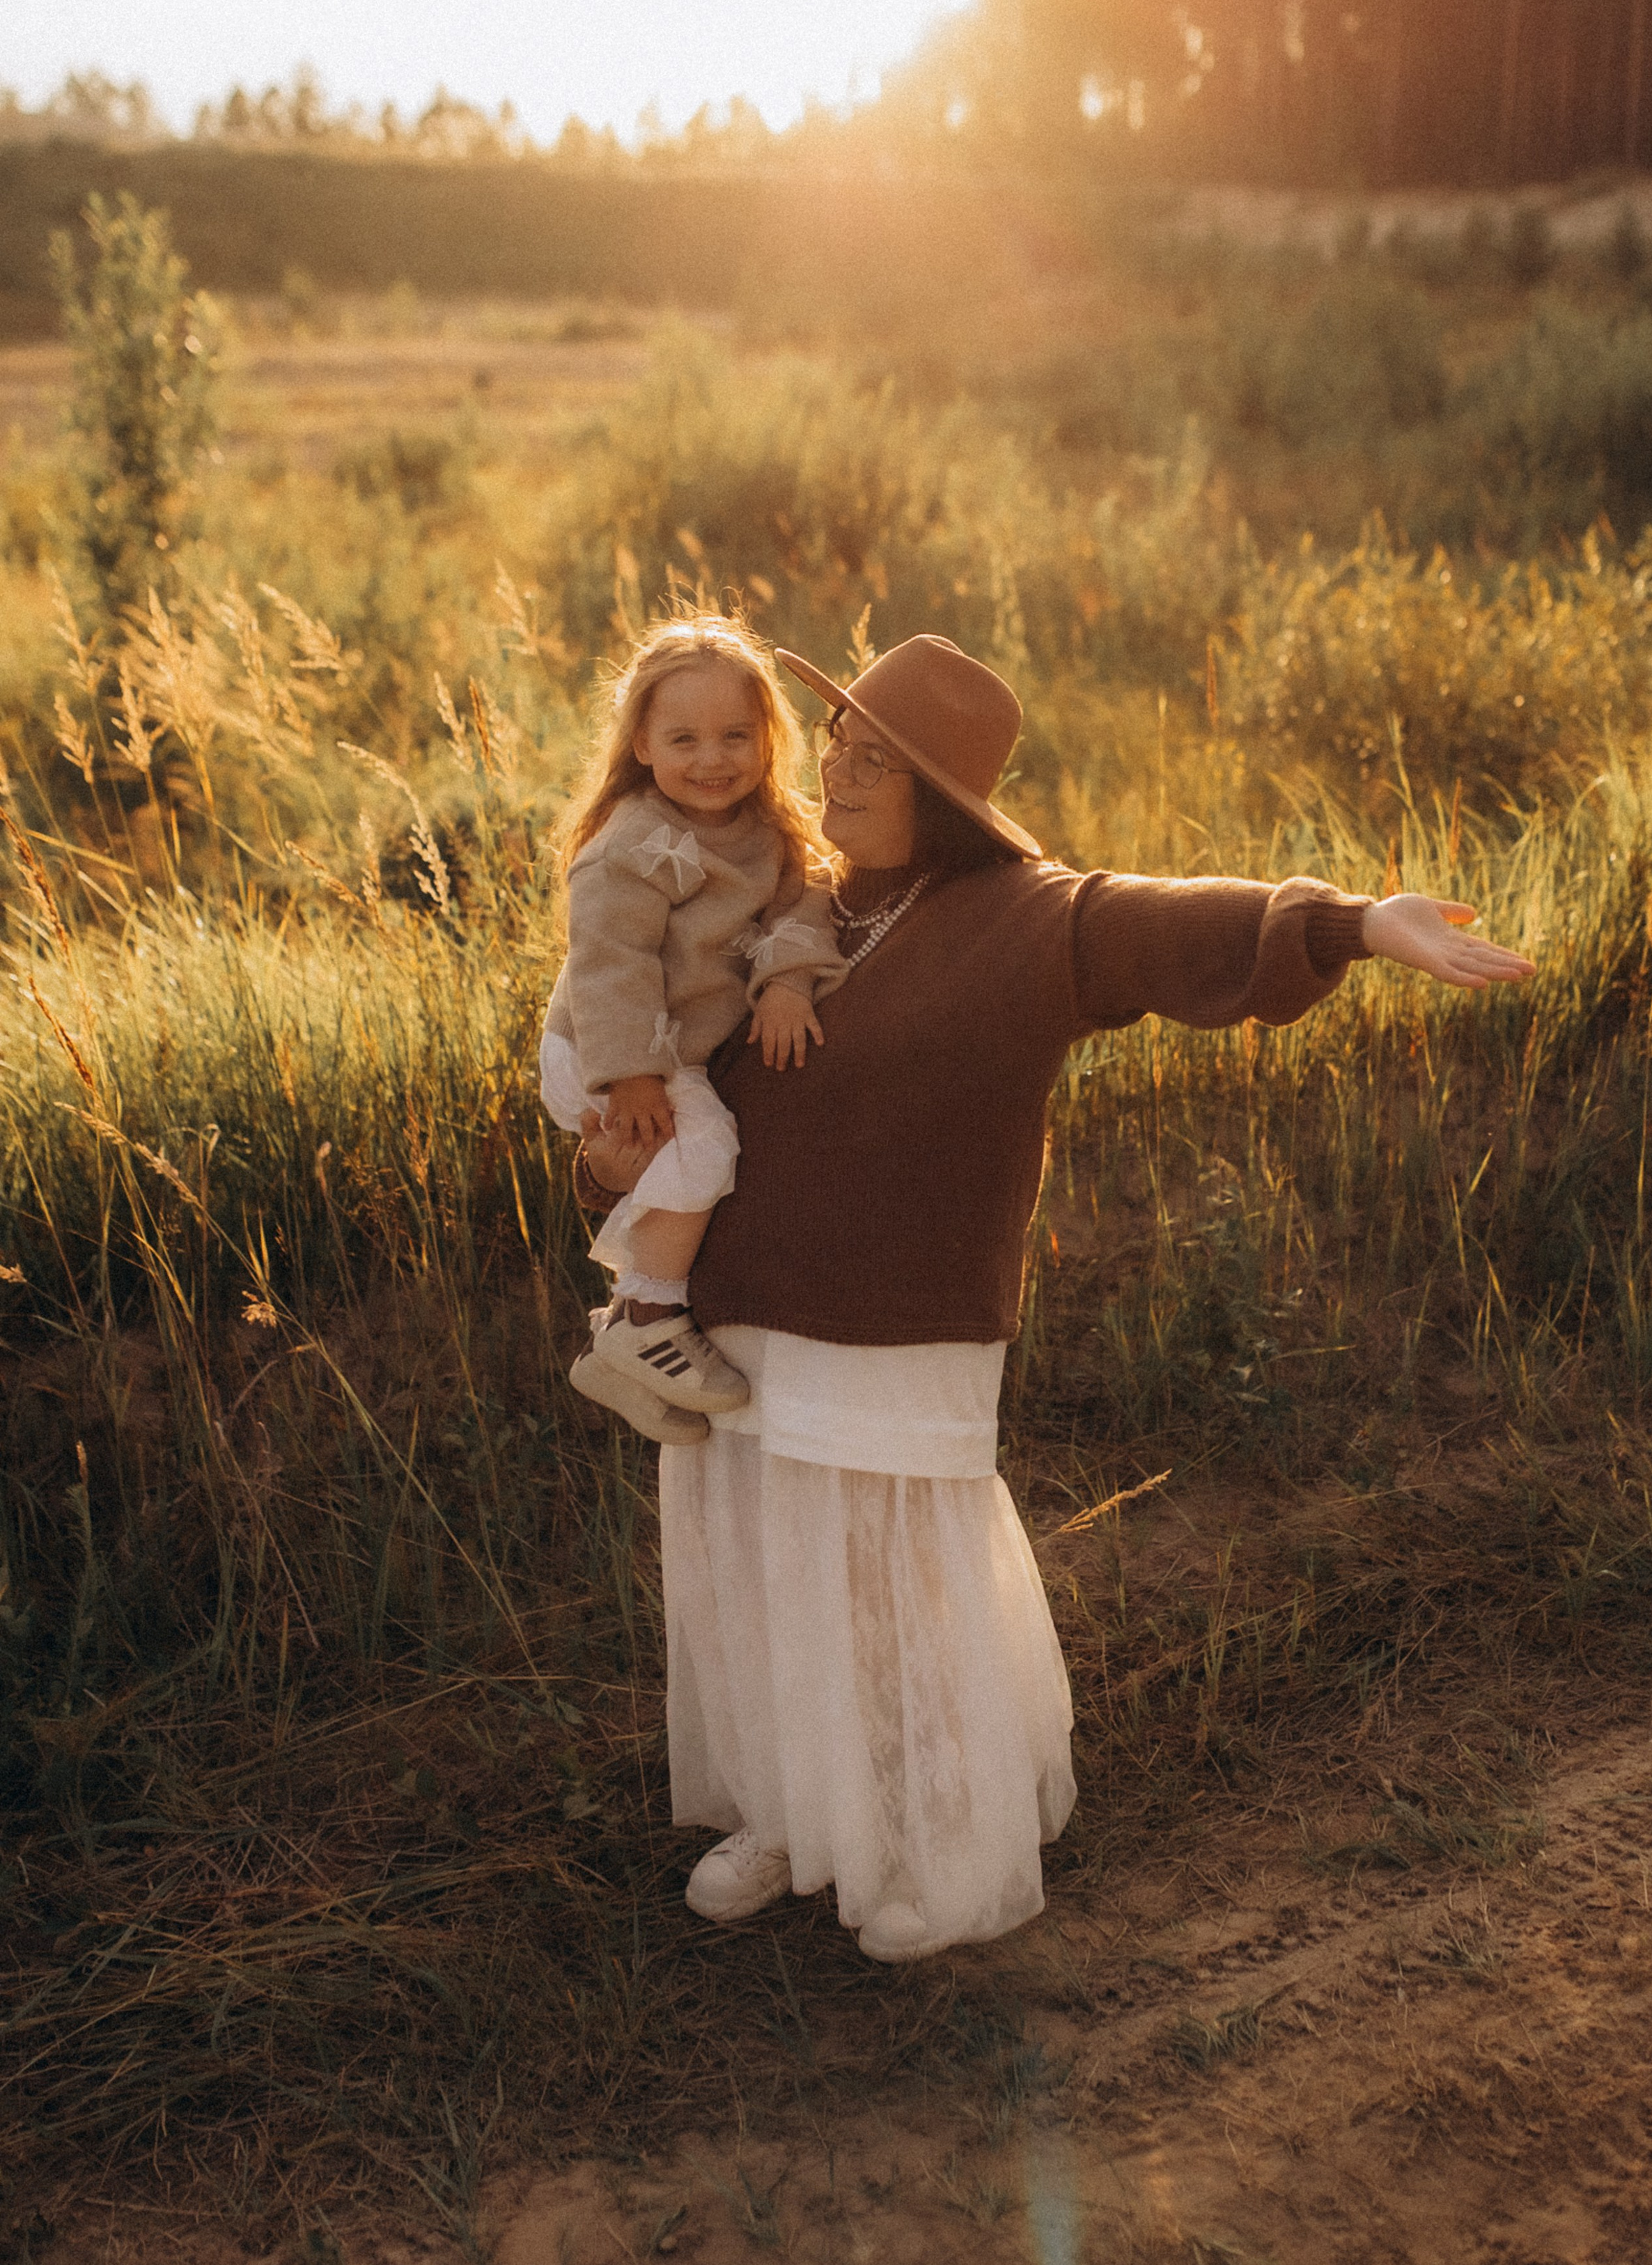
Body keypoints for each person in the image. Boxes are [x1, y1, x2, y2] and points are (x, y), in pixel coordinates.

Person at [593, 629, 1534, 1963]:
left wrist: (1354, 925)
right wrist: (608, 1146)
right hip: (739, 1307)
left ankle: (938, 1843)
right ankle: (791, 1819)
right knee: (759, 1566)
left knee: (892, 1586)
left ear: (938, 793)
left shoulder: (1027, 919)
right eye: (840, 747)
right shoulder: (784, 893)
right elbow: (656, 1057)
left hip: (902, 1316)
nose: (839, 774)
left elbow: (1175, 919)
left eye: (875, 760)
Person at [539, 621, 848, 1443]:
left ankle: (613, 1362)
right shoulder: (633, 844)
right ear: (640, 743)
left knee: (683, 1148)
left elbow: (805, 903)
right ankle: (647, 1315)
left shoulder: (770, 832)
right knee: (704, 1149)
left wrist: (785, 983)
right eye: (684, 739)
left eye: (734, 736)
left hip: (663, 1046)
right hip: (609, 1045)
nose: (712, 759)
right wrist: (632, 1075)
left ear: (767, 739)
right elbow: (611, 960)